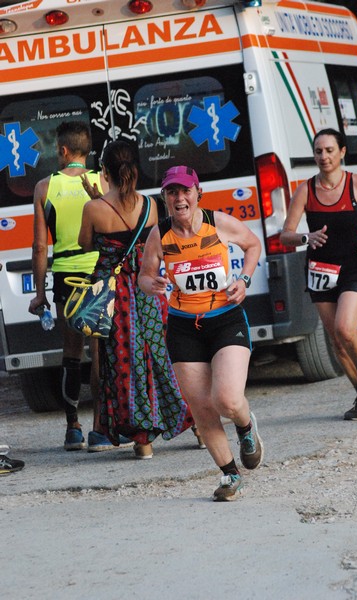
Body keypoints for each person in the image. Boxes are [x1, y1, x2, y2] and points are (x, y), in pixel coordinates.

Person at [138, 165, 263, 501]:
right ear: (164, 198)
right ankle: (229, 475)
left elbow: (253, 245)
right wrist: (154, 284)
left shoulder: (217, 222)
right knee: (202, 408)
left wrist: (245, 280)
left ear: (197, 193)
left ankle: (245, 425)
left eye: (185, 191)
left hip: (225, 319)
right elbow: (144, 277)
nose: (179, 198)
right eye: (172, 192)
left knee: (226, 399)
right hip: (183, 327)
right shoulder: (159, 234)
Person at [78, 142, 195, 459]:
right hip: (150, 292)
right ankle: (197, 424)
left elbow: (85, 242)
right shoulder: (152, 205)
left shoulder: (94, 209)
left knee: (127, 365)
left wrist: (96, 199)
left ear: (105, 172)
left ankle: (143, 442)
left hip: (115, 300)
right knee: (164, 357)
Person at [28, 121, 132, 453]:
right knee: (101, 352)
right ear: (86, 151)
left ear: (63, 150)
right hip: (100, 272)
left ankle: (72, 428)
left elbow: (40, 247)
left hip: (65, 276)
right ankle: (99, 429)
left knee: (72, 352)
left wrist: (40, 294)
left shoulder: (45, 187)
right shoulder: (104, 181)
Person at [280, 128, 357, 421]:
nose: (324, 157)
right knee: (335, 339)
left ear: (342, 152)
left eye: (330, 150)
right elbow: (286, 235)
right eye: (318, 151)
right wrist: (306, 238)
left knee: (345, 328)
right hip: (321, 269)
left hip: (355, 264)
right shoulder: (305, 190)